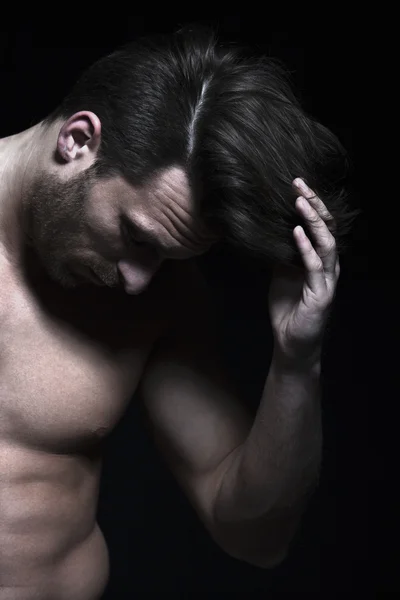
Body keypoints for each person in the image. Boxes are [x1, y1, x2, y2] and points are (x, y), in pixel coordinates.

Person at [0, 26, 360, 600]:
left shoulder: (165, 294)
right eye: (137, 237)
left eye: (168, 257)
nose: (140, 281)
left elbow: (255, 536)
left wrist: (297, 359)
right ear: (78, 140)